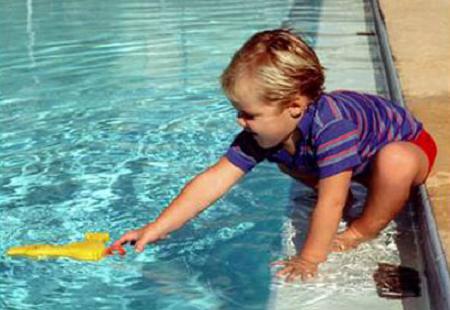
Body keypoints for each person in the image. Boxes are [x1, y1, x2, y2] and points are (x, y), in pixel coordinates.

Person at [112, 29, 437, 281]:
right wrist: (156, 228)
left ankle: (362, 229)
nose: (240, 121)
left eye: (249, 114)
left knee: (396, 162)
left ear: (295, 106)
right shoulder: (267, 132)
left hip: (408, 148)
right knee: (286, 155)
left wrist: (310, 258)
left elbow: (331, 203)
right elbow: (213, 181)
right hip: (359, 160)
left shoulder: (332, 128)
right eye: (238, 111)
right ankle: (344, 184)